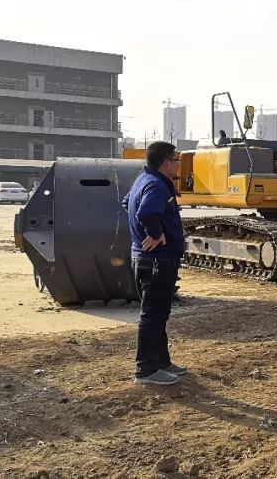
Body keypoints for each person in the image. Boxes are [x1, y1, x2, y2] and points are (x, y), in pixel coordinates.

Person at [124, 141, 187, 385]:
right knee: (152, 315)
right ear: (166, 163)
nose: (179, 164)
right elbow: (146, 212)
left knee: (159, 314)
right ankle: (146, 369)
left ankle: (161, 362)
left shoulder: (145, 180)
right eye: (177, 160)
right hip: (157, 261)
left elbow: (126, 203)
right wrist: (154, 233)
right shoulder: (156, 186)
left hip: (147, 259)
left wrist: (148, 233)